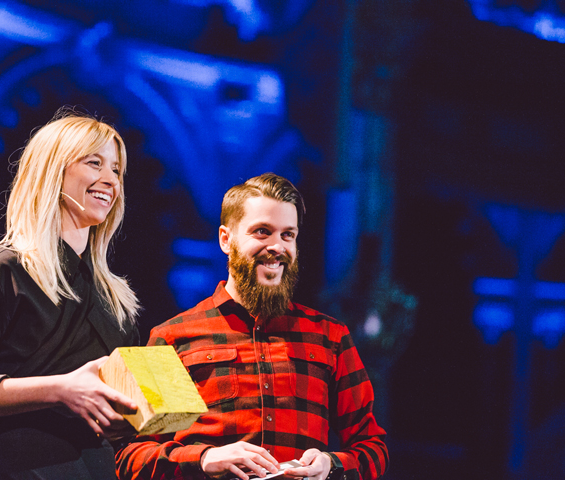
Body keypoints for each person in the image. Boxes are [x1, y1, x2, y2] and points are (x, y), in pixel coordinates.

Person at [116, 173, 388, 480]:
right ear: (226, 239)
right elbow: (132, 456)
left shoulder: (330, 336)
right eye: (262, 232)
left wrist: (331, 464)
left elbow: (372, 447)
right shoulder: (171, 336)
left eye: (288, 235)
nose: (277, 246)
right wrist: (205, 458)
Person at [0, 109, 141, 479]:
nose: (110, 180)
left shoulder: (117, 299)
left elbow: (130, 416)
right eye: (94, 163)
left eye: (116, 170)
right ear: (52, 170)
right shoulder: (3, 270)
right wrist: (61, 389)